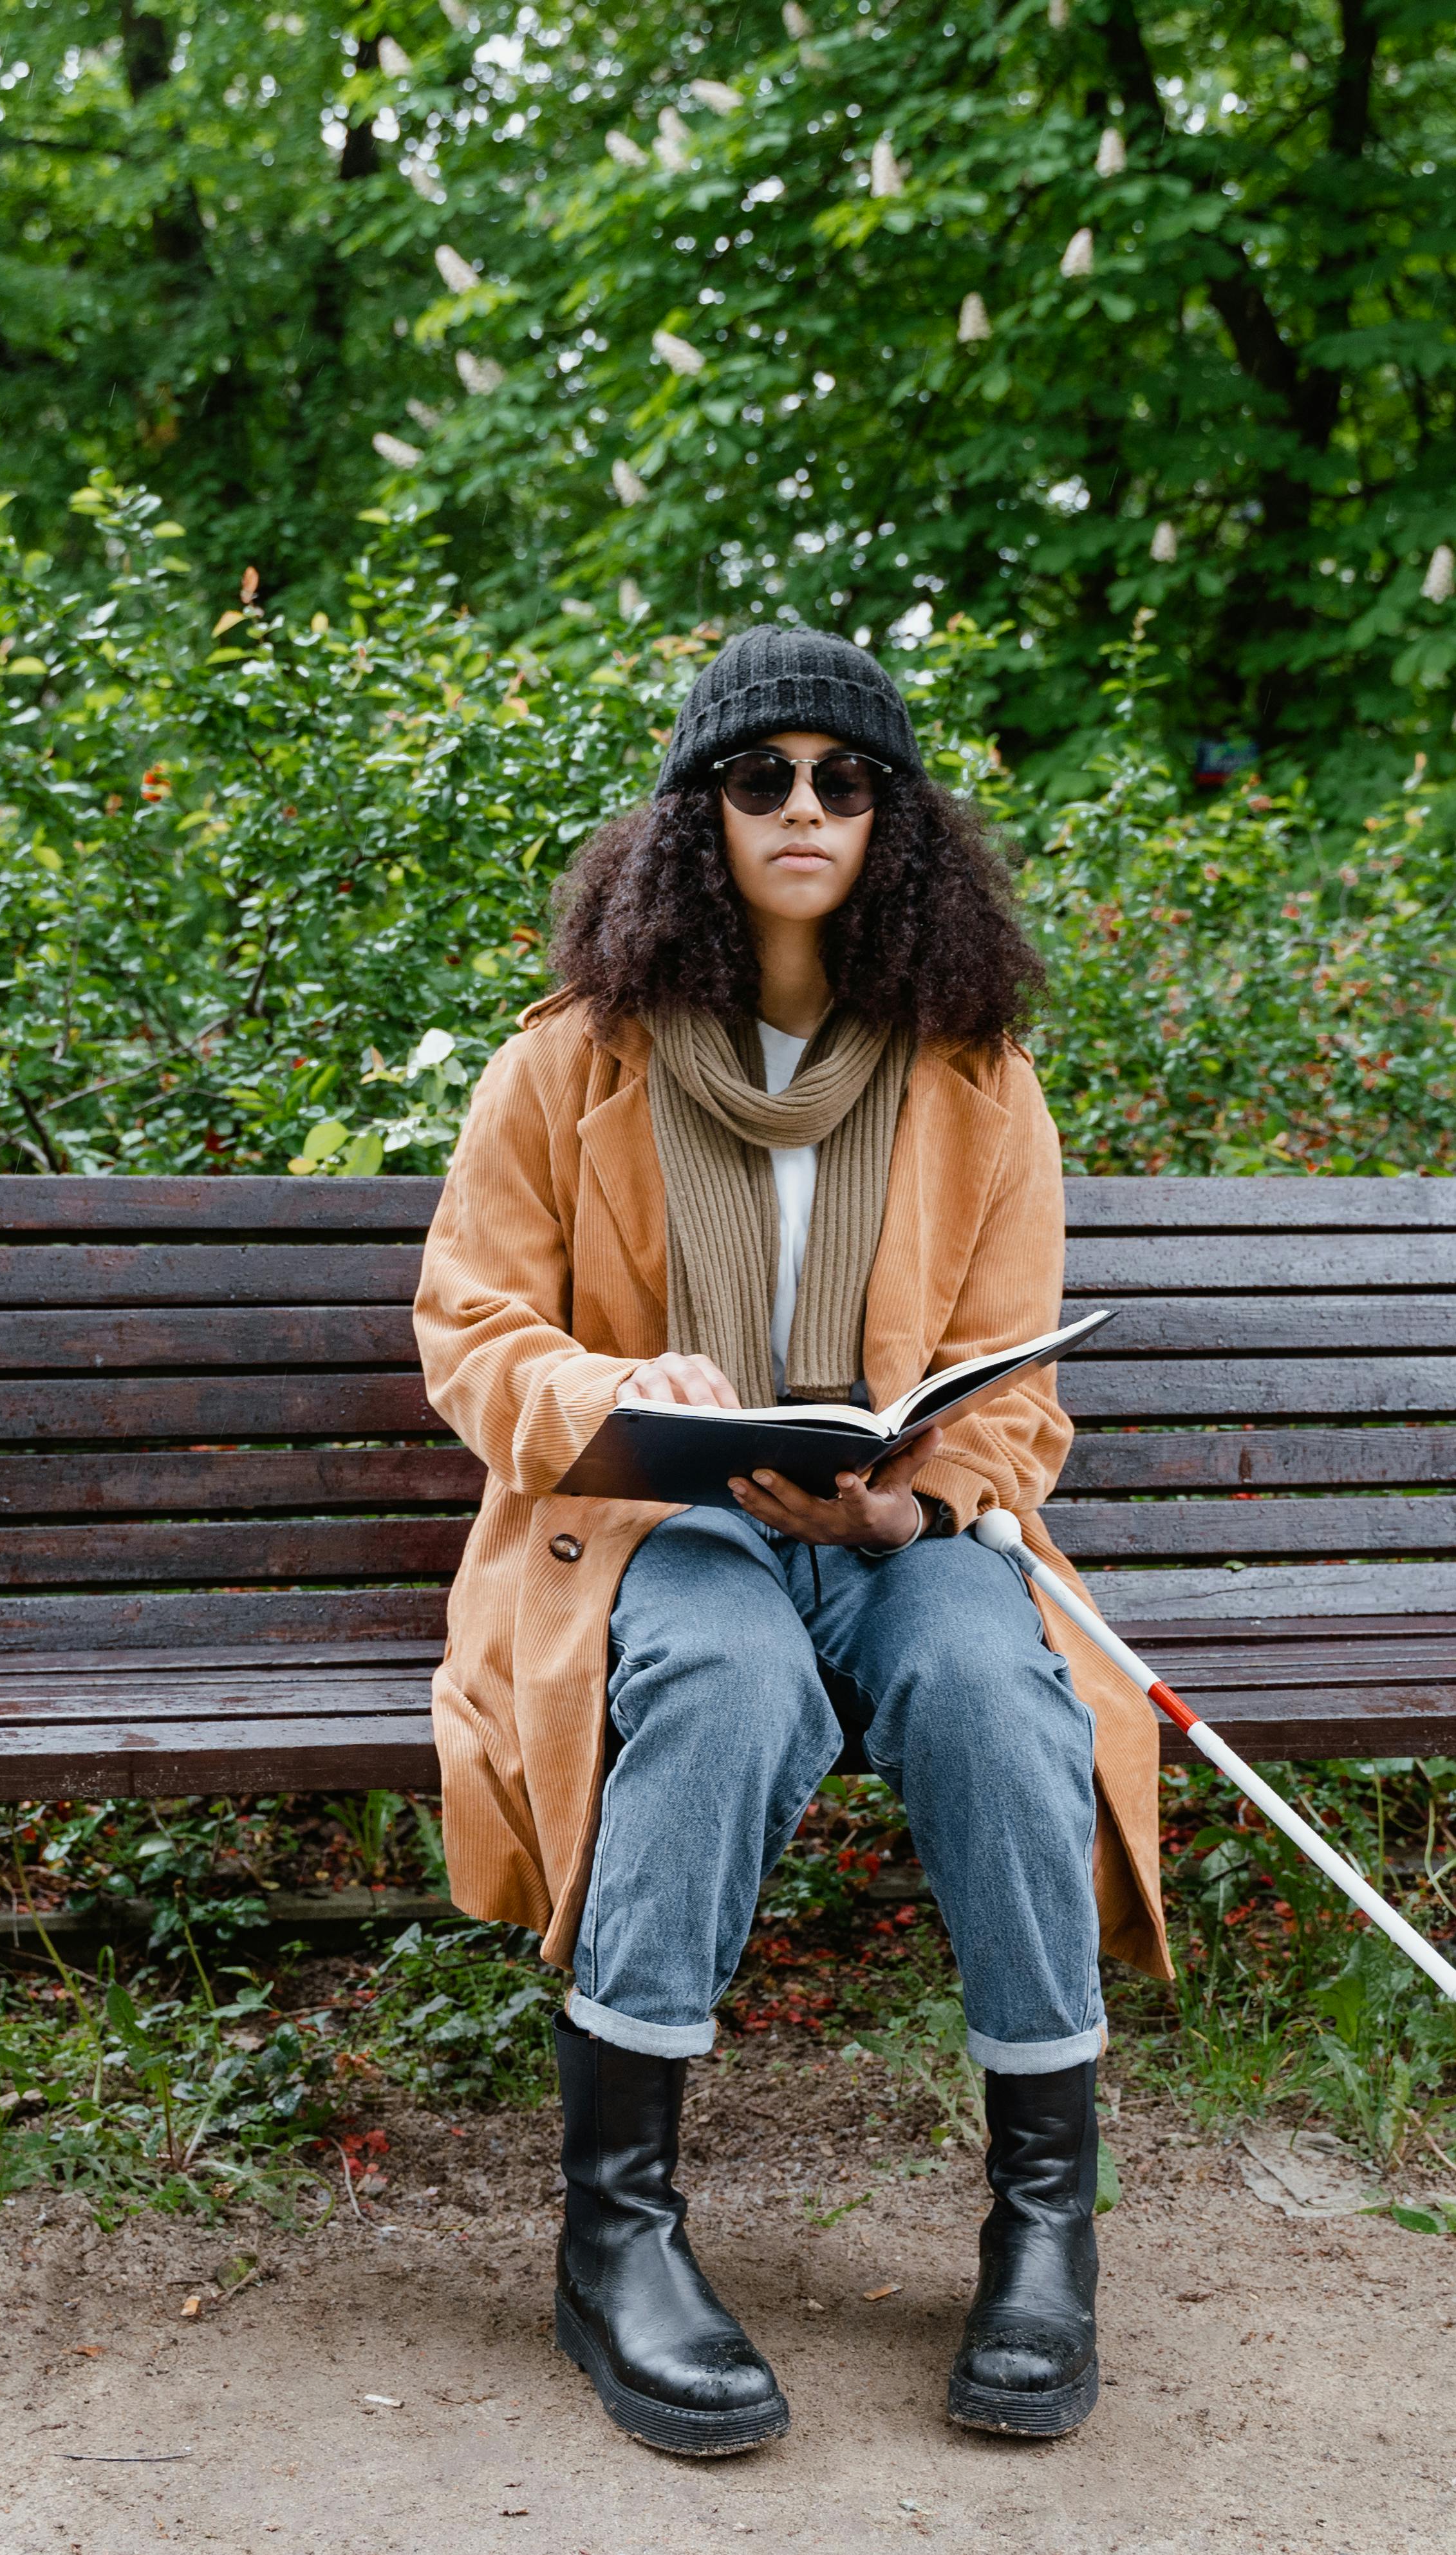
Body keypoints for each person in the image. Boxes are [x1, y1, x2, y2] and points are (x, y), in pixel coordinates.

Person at [412, 625, 1170, 2457]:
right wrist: (616, 1388)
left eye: (847, 779)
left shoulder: (972, 1074)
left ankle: (1043, 2230)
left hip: (895, 1524)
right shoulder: (567, 1069)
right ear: (697, 817)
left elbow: (1015, 1390)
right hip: (663, 1516)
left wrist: (917, 1496)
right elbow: (471, 1330)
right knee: (727, 1682)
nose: (805, 808)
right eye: (763, 777)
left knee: (998, 1684)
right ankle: (617, 2236)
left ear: (895, 824)